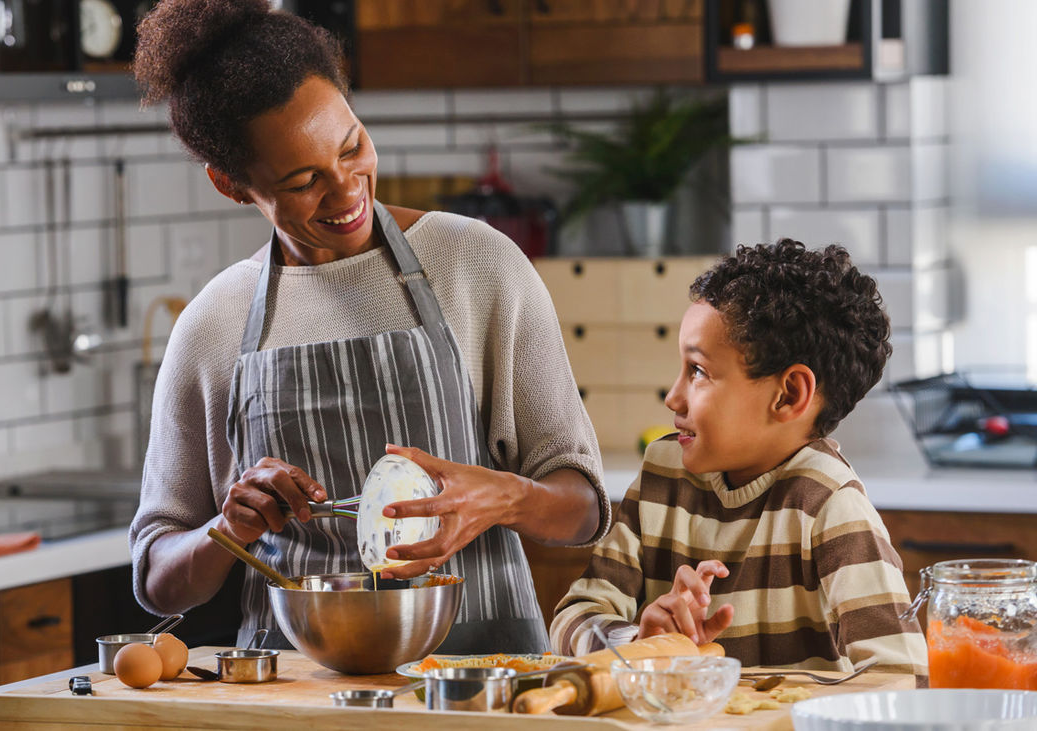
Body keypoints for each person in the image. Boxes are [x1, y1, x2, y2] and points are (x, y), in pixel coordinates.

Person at [128, 0, 609, 653]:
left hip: (475, 689)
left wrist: (503, 498)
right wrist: (227, 528)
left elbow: (584, 506)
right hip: (292, 698)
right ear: (232, 184)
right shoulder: (215, 325)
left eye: (352, 145)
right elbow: (157, 578)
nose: (348, 189)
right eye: (303, 181)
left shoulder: (475, 263)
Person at [550, 240, 929, 683]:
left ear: (789, 395)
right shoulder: (664, 473)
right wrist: (639, 642)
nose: (673, 397)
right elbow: (572, 617)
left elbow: (902, 677)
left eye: (698, 371)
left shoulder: (828, 506)